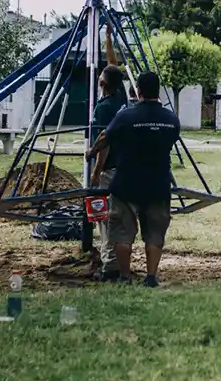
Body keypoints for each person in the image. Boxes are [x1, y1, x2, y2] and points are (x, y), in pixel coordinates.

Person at [86, 71, 180, 288]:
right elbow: (171, 140)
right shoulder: (171, 119)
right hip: (158, 184)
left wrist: (92, 154)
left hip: (126, 184)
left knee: (122, 233)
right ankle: (150, 277)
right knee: (155, 232)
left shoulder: (126, 116)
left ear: (138, 91)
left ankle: (125, 276)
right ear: (158, 91)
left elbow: (104, 138)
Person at [87, 22, 127, 281]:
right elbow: (113, 66)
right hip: (122, 167)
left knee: (105, 217)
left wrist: (95, 170)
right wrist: (109, 39)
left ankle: (109, 265)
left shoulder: (104, 108)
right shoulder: (120, 97)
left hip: (108, 167)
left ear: (102, 81)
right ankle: (111, 260)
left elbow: (105, 142)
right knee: (115, 216)